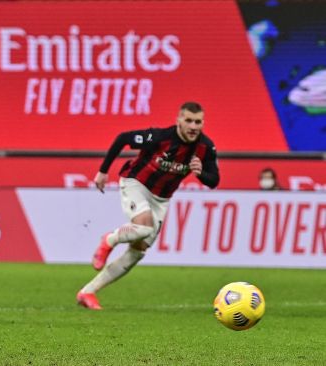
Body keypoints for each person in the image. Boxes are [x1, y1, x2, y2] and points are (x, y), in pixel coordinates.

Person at [77, 101, 220, 310]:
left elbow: (214, 180)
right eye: (188, 120)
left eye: (197, 122)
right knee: (144, 227)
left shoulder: (206, 148)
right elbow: (123, 138)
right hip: (136, 183)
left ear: (202, 123)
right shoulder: (160, 137)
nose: (193, 126)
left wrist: (200, 174)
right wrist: (103, 171)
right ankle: (109, 239)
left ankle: (87, 292)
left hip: (161, 199)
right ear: (178, 120)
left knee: (138, 251)